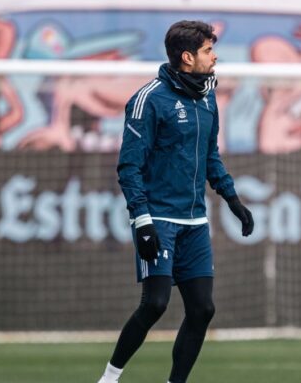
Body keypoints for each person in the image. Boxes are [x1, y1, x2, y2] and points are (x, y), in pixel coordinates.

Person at [97, 20, 254, 383]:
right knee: (155, 304)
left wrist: (232, 199)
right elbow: (129, 167)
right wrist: (142, 220)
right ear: (187, 57)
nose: (214, 57)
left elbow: (209, 154)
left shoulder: (207, 96)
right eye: (207, 51)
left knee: (203, 309)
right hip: (159, 219)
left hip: (195, 222)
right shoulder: (149, 100)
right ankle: (108, 378)